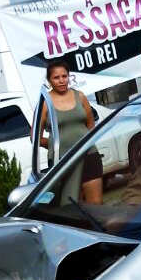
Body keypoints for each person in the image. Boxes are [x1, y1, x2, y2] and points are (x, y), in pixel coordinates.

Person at [41, 60, 103, 204]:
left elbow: (90, 125)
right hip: (61, 161)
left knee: (96, 206)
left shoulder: (79, 96)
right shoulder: (45, 103)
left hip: (88, 155)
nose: (61, 80)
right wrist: (55, 146)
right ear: (49, 80)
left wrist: (84, 144)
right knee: (69, 207)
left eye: (64, 76)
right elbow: (35, 138)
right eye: (56, 77)